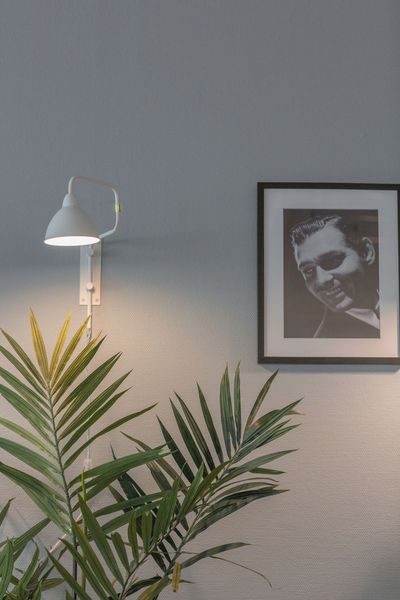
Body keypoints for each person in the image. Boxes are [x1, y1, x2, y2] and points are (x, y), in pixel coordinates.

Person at [289, 214, 380, 338]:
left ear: (366, 252)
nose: (321, 280)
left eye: (332, 260)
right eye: (308, 271)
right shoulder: (325, 343)